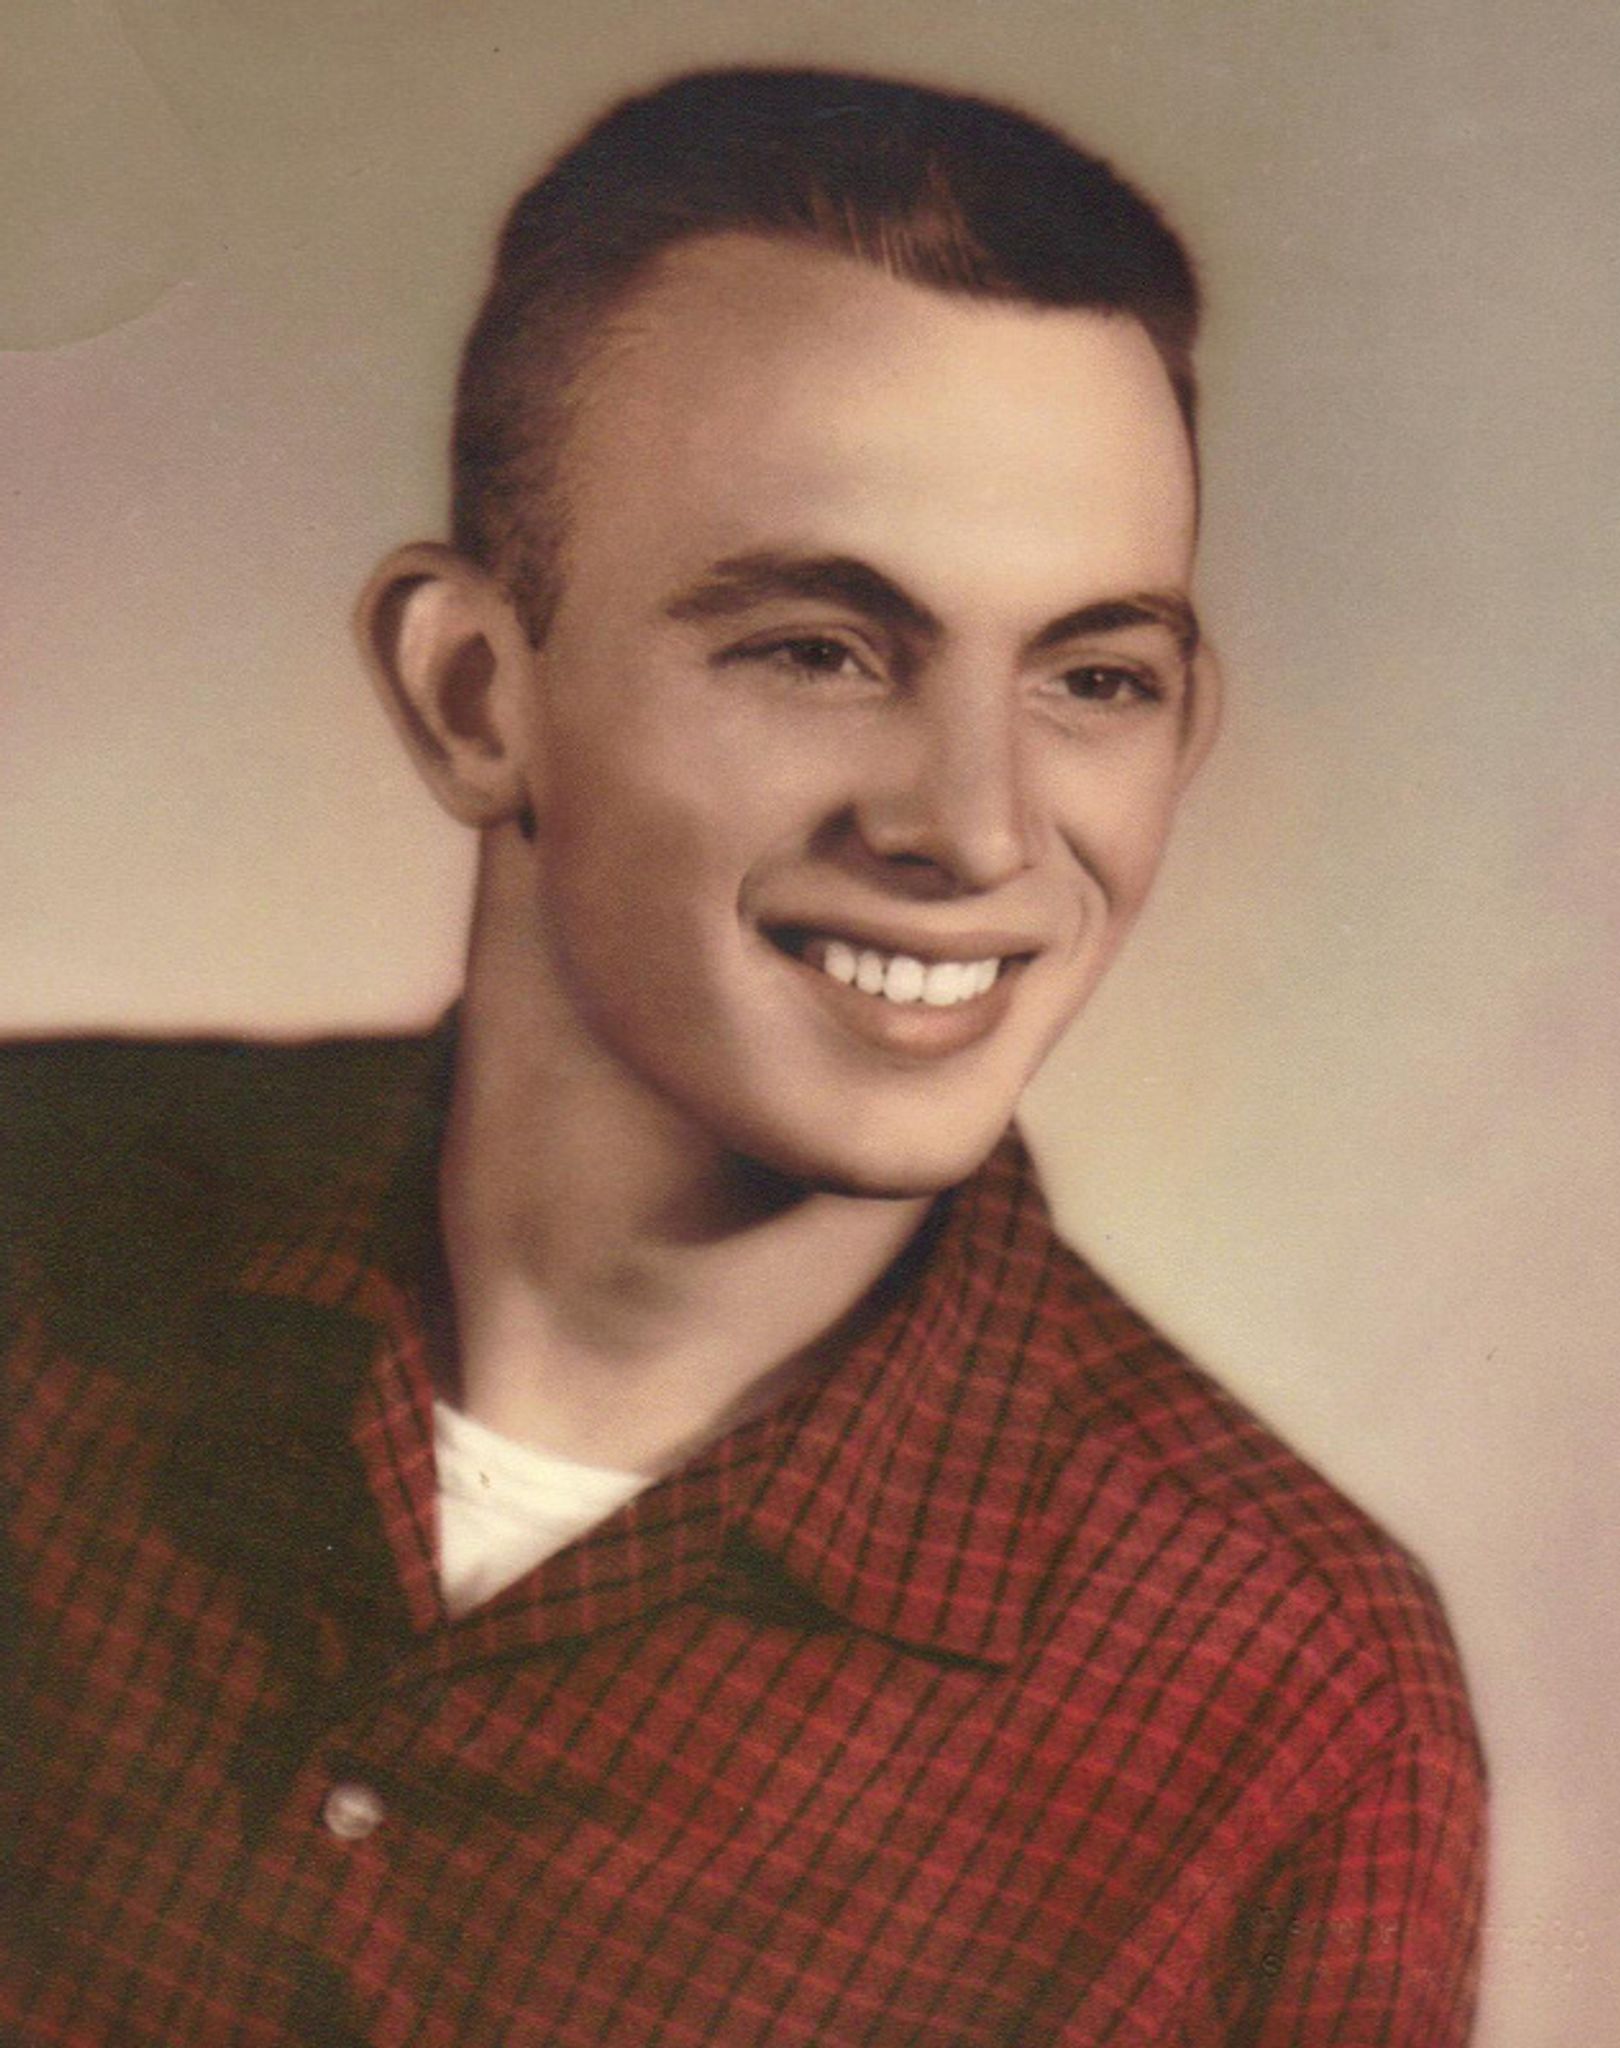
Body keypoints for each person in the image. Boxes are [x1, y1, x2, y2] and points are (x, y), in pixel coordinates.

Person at [0, 65, 1484, 2047]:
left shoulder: (1284, 1700)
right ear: (474, 696)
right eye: (819, 648)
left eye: (1092, 676)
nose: (976, 828)